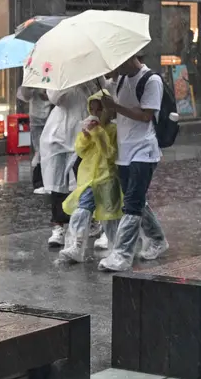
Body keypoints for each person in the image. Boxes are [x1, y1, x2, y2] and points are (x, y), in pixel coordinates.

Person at [98, 55, 171, 272]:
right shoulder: (120, 80)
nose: (115, 67)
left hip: (144, 150)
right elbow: (113, 113)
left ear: (130, 58)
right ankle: (158, 239)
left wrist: (116, 106)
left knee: (132, 202)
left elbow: (146, 115)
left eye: (118, 62)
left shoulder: (151, 80)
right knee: (136, 199)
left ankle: (121, 255)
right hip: (124, 150)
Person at [58, 91, 123, 264]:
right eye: (92, 110)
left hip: (107, 177)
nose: (96, 114)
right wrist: (86, 136)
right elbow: (80, 150)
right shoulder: (91, 128)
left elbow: (110, 153)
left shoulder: (114, 130)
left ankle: (115, 247)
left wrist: (99, 134)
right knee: (83, 208)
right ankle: (76, 246)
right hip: (89, 178)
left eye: (99, 110)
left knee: (109, 216)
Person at [40, 83, 95, 247]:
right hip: (59, 137)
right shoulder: (59, 78)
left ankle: (88, 222)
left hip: (83, 137)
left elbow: (101, 95)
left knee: (85, 183)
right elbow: (54, 98)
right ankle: (58, 227)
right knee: (57, 185)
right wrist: (70, 82)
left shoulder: (92, 77)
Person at [17, 86, 51, 194]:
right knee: (39, 149)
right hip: (35, 117)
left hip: (50, 116)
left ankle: (46, 181)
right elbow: (25, 96)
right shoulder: (33, 76)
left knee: (48, 149)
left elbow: (59, 98)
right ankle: (40, 181)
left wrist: (48, 97)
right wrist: (28, 87)